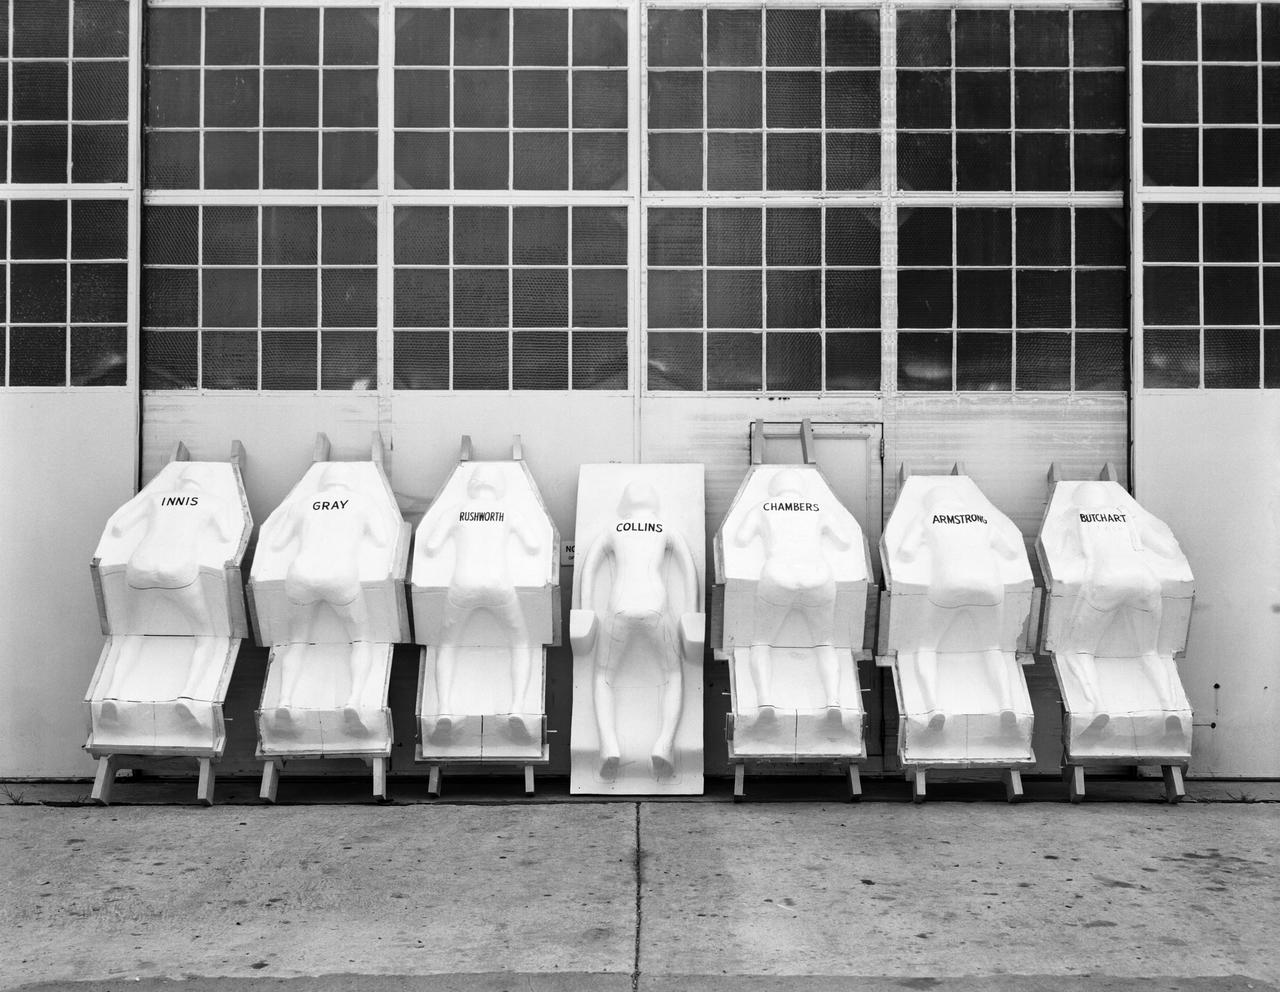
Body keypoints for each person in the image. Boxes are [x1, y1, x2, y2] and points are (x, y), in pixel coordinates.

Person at [576, 480, 699, 780]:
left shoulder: (613, 529)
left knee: (604, 676)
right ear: (653, 502)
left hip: (619, 606)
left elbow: (589, 569)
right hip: (656, 606)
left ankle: (608, 746)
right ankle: (664, 745)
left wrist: (584, 610)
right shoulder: (666, 528)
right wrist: (693, 612)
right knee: (672, 674)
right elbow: (689, 571)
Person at [101, 467, 238, 726]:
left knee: (133, 634)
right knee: (205, 634)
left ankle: (113, 694)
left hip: (140, 565)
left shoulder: (155, 498)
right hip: (178, 568)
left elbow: (119, 527)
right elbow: (226, 536)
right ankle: (187, 697)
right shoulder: (213, 502)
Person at [419, 465, 545, 744]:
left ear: (472, 485)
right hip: (499, 585)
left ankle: (444, 710)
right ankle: (517, 707)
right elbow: (535, 544)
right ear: (498, 487)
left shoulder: (455, 510)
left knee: (448, 644)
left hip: (462, 585)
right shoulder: (509, 510)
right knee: (520, 642)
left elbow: (431, 546)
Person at [1050, 482, 1185, 734]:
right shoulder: (1127, 515)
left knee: (1079, 651)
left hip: (1106, 581)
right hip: (1146, 582)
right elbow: (1167, 550)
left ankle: (1097, 707)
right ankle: (1169, 709)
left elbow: (1058, 555)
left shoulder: (1076, 517)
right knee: (1148, 652)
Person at [267, 465, 392, 734]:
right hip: (340, 576)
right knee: (360, 639)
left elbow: (276, 544)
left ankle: (285, 701)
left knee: (298, 639)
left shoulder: (303, 503)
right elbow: (382, 539)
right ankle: (353, 701)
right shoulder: (363, 502)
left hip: (300, 575)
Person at [731, 469, 855, 732]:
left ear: (775, 488)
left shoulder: (762, 507)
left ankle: (765, 702)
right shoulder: (818, 508)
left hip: (779, 574)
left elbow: (740, 539)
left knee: (762, 641)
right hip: (818, 575)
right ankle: (833, 701)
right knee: (824, 642)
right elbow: (844, 542)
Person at [897, 485, 1026, 731]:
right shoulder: (983, 518)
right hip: (990, 587)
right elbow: (1010, 552)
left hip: (948, 586)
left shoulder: (926, 518)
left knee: (927, 646)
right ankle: (1006, 705)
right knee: (991, 647)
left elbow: (905, 552)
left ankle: (933, 707)